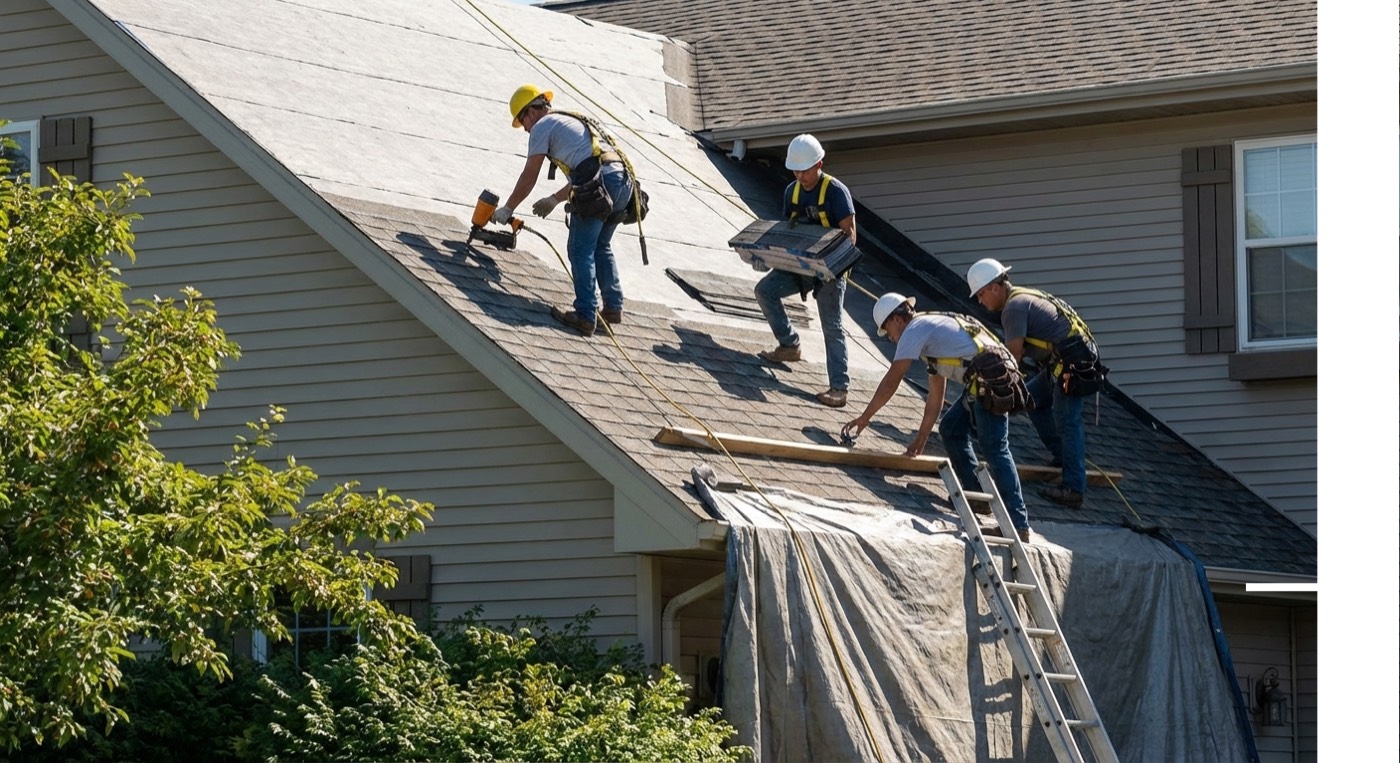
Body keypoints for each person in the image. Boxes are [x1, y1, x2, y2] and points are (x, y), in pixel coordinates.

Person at [842, 293, 1033, 541]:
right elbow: (936, 395)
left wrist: (865, 417)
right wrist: (921, 437)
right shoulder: (931, 333)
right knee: (951, 429)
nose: (890, 337)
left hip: (991, 379)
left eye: (887, 329)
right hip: (990, 376)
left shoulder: (915, 329)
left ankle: (1017, 524)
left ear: (898, 319)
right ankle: (976, 498)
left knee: (996, 449)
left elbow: (892, 379)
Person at [495, 84, 634, 337]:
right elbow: (589, 169)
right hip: (624, 183)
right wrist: (555, 199)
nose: (525, 129)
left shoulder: (542, 126)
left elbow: (530, 175)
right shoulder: (570, 121)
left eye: (522, 122)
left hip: (602, 182)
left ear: (530, 112)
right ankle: (612, 308)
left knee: (580, 249)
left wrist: (508, 208)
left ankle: (585, 315)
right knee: (600, 245)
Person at [967, 258, 1097, 508]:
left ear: (995, 287)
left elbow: (1011, 356)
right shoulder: (1023, 297)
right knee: (1032, 400)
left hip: (1071, 364)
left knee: (1068, 421)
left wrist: (990, 394)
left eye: (982, 294)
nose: (981, 302)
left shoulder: (1013, 308)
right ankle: (1062, 457)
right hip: (1069, 360)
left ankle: (1073, 488)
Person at [753, 134, 856, 408]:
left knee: (832, 326)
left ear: (819, 164)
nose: (800, 176)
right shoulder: (792, 192)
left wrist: (827, 270)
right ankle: (789, 346)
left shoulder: (836, 192)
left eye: (805, 170)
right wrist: (768, 257)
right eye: (795, 171)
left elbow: (850, 237)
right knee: (764, 291)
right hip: (801, 265)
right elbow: (788, 233)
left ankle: (839, 388)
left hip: (832, 268)